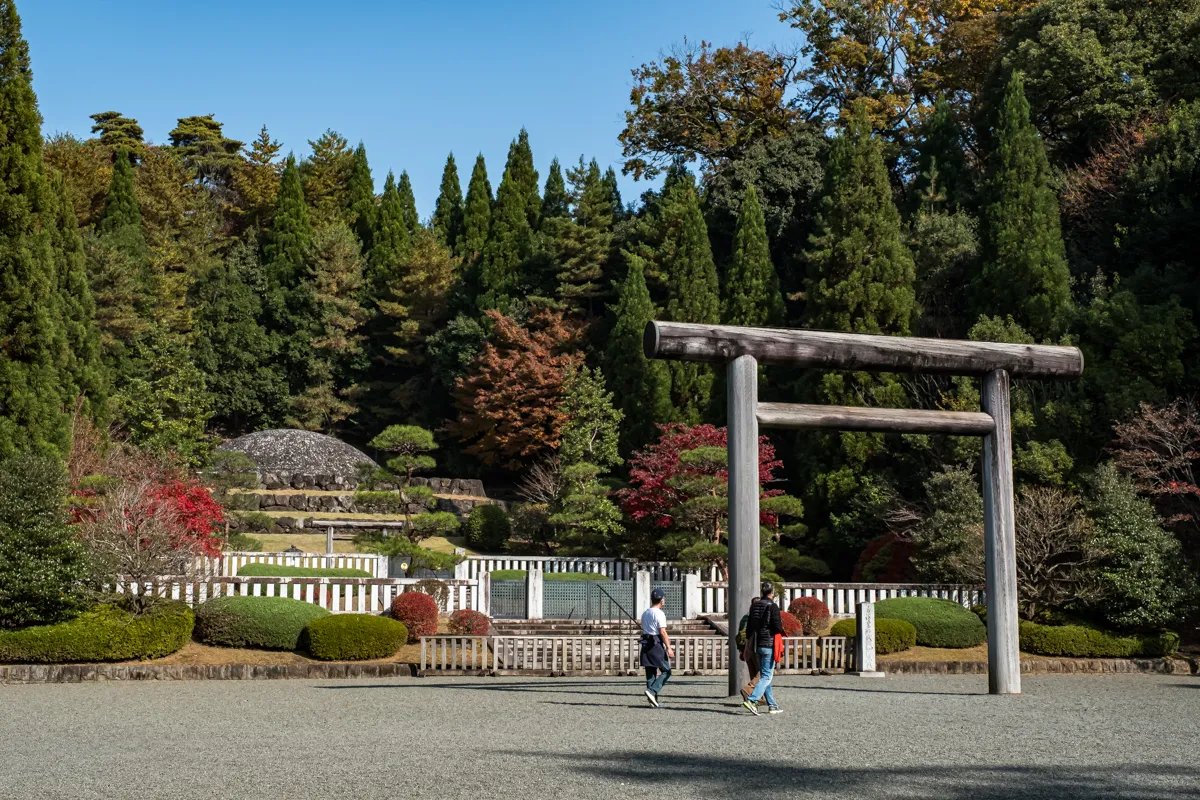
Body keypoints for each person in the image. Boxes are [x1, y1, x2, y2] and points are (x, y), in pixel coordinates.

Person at [742, 581, 784, 715]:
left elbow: (749, 628)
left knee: (766, 676)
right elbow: (777, 627)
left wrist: (748, 645)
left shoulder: (754, 606)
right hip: (769, 643)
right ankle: (752, 700)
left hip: (757, 643)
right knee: (766, 676)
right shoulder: (773, 606)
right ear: (773, 592)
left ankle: (772, 705)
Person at [639, 587, 673, 708]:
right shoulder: (659, 613)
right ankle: (652, 691)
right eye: (664, 598)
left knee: (650, 672)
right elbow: (662, 632)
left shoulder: (645, 613)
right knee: (666, 671)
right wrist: (669, 647)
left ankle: (653, 701)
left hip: (645, 643)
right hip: (656, 643)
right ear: (661, 600)